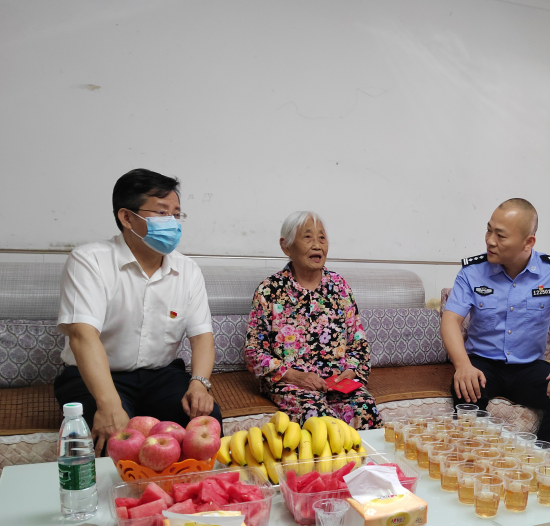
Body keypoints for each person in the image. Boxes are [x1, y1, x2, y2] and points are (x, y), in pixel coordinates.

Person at [55, 169, 221, 455]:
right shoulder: (89, 261)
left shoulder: (188, 270)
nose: (172, 223)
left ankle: (192, 486)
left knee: (204, 425)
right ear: (127, 217)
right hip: (98, 377)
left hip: (161, 375)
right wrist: (108, 404)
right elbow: (82, 336)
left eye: (176, 215)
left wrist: (199, 384)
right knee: (111, 439)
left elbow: (202, 336)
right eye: (162, 213)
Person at [441, 198, 550, 449]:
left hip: (528, 367)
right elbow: (451, 319)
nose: (490, 241)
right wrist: (463, 366)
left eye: (500, 236)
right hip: (483, 363)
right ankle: (471, 460)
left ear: (528, 242)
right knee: (466, 388)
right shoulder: (472, 272)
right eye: (488, 230)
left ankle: (540, 462)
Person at [244, 211, 382, 429]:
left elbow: (359, 344)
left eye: (322, 238)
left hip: (338, 383)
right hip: (292, 384)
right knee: (318, 419)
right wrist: (293, 376)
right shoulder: (269, 290)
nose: (317, 245)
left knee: (366, 409)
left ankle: (366, 454)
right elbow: (254, 352)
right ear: (286, 246)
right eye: (308, 237)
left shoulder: (339, 286)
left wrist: (352, 370)